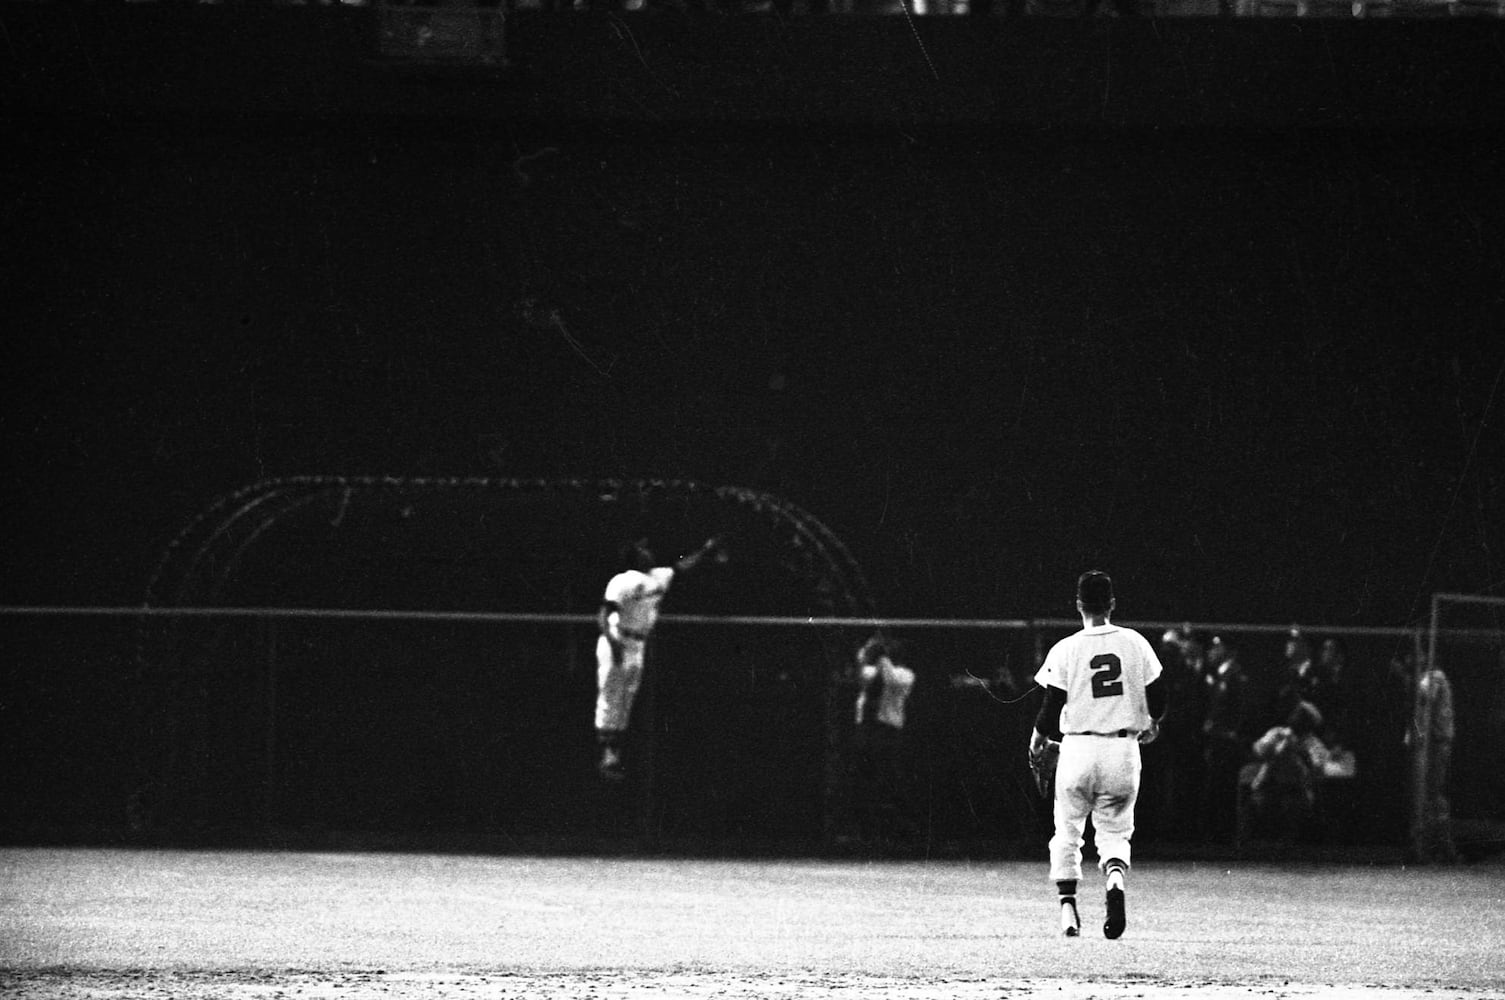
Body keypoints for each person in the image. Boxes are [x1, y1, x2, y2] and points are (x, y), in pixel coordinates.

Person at [1028, 570, 1167, 940]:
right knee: (1116, 832)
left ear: (1078, 605)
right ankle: (1116, 881)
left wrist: (1037, 740)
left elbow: (1050, 705)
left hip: (1077, 748)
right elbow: (1161, 696)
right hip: (1122, 748)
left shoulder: (1066, 647)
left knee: (1067, 831)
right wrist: (1153, 722)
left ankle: (1068, 910)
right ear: (1112, 604)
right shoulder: (1135, 642)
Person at [594, 535, 725, 781]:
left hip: (637, 643)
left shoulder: (657, 576)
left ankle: (615, 753)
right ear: (634, 556)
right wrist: (614, 646)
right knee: (611, 694)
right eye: (642, 549)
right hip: (618, 639)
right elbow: (603, 615)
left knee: (627, 695)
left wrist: (706, 550)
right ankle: (606, 755)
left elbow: (682, 567)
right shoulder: (622, 581)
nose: (649, 553)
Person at [850, 633, 918, 844]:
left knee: (889, 779)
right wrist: (869, 651)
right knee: (865, 778)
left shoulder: (906, 674)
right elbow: (863, 673)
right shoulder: (873, 670)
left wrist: (881, 658)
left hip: (889, 730)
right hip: (868, 728)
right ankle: (866, 829)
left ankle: (898, 829)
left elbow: (890, 680)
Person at [1407, 654, 1459, 863]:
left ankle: (1442, 846)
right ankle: (1438, 846)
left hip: (1436, 743)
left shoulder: (1434, 676)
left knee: (1432, 793)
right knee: (1428, 794)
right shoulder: (1427, 677)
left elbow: (1425, 698)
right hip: (1430, 742)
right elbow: (1419, 713)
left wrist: (1405, 678)